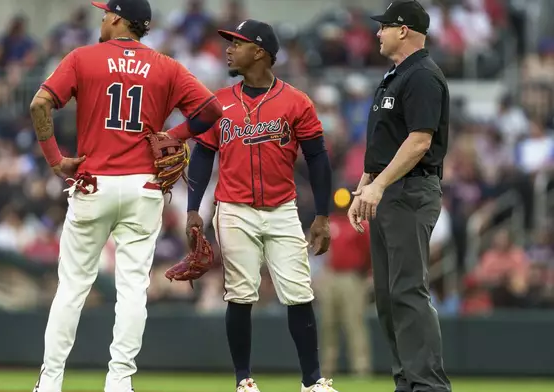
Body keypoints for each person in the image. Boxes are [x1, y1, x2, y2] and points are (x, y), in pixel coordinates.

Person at [29, 1, 223, 391]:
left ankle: (50, 383)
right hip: (143, 188)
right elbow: (210, 110)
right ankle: (119, 382)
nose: (102, 18)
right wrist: (175, 136)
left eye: (105, 13)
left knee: (71, 289)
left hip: (93, 183)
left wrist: (55, 161)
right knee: (132, 289)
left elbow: (39, 103)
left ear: (117, 17)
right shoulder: (166, 65)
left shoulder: (84, 57)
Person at [174, 19, 337, 392]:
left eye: (237, 43)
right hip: (233, 208)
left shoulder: (296, 101)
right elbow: (202, 156)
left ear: (259, 52)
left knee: (299, 292)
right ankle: (243, 380)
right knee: (240, 293)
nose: (229, 49)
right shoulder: (219, 103)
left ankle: (312, 381)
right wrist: (193, 208)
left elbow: (318, 159)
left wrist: (323, 216)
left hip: (282, 208)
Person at [347, 1, 452, 392]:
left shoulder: (423, 75)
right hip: (389, 190)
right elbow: (385, 143)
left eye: (384, 26)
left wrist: (378, 184)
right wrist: (365, 185)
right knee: (390, 297)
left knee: (408, 290)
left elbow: (419, 142)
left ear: (403, 30)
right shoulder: (396, 76)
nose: (378, 32)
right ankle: (407, 381)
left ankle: (428, 386)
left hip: (410, 190)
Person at [318, 190, 372, 378]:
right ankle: (327, 368)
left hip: (352, 278)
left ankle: (360, 368)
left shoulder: (358, 223)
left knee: (354, 323)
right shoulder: (329, 221)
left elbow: (368, 251)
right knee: (328, 323)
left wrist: (365, 273)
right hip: (331, 275)